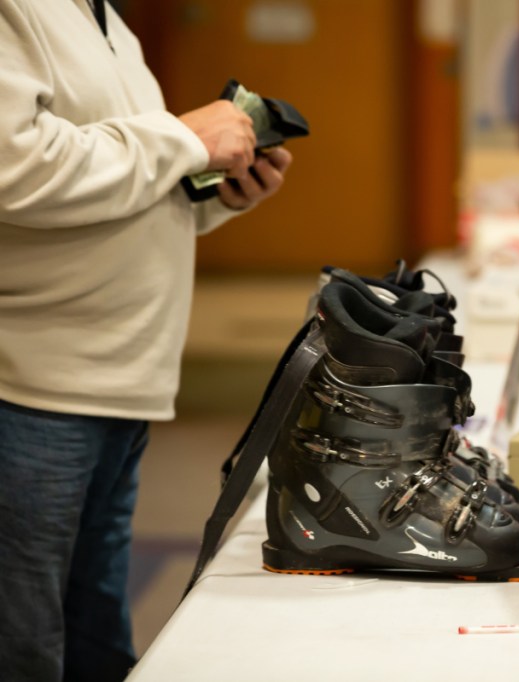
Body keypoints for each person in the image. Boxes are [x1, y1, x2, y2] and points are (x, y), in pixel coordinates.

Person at [0, 1, 294, 680]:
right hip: (35, 388)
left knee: (94, 632)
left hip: (115, 383)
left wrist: (217, 192)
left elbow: (103, 188)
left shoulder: (104, 22)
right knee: (25, 646)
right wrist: (184, 138)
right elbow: (15, 167)